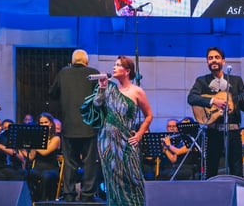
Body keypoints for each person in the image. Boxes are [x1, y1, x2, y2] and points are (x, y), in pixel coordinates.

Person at [81, 55, 152, 206]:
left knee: (133, 178)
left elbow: (149, 116)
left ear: (127, 71)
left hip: (127, 140)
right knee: (112, 179)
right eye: (114, 64)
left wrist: (139, 135)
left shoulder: (137, 91)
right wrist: (101, 87)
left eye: (118, 65)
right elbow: (97, 104)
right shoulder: (109, 87)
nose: (114, 67)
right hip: (106, 140)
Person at [187, 47, 244, 178]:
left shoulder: (236, 81)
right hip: (213, 131)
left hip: (233, 132)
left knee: (236, 169)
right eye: (210, 58)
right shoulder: (202, 81)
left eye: (217, 57)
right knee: (211, 169)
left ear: (223, 61)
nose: (213, 60)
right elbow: (191, 98)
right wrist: (213, 101)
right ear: (207, 62)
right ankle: (211, 197)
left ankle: (236, 196)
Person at [48, 49, 101, 202]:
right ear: (86, 61)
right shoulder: (94, 73)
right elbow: (100, 99)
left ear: (72, 61)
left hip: (69, 126)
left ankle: (69, 194)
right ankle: (87, 194)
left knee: (70, 163)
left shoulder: (64, 73)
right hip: (89, 127)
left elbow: (52, 93)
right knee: (89, 163)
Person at [29, 112, 62, 201]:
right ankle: (32, 200)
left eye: (46, 122)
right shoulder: (37, 137)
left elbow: (45, 152)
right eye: (41, 123)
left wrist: (34, 143)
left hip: (51, 168)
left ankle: (42, 202)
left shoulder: (56, 138)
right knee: (27, 174)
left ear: (51, 123)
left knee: (45, 177)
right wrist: (32, 146)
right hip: (38, 168)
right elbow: (31, 157)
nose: (43, 125)